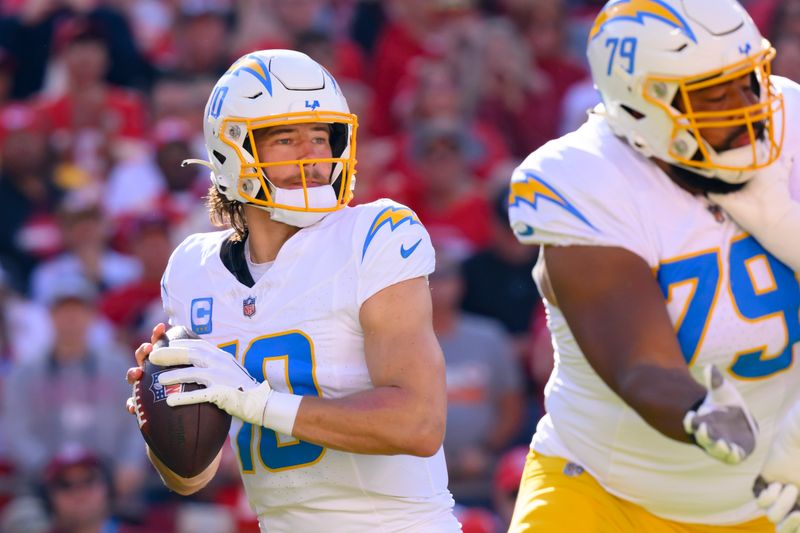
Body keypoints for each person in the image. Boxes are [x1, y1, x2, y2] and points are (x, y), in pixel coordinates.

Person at [126, 49, 460, 532]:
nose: (313, 155)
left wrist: (255, 402)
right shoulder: (191, 271)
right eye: (286, 138)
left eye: (321, 136)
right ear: (230, 150)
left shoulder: (375, 234)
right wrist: (164, 416)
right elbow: (189, 480)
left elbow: (419, 422)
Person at [506, 0, 800, 531]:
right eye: (714, 94)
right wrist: (699, 413)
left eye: (749, 81)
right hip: (603, 491)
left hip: (767, 502)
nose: (749, 107)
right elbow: (640, 364)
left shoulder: (791, 122)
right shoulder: (586, 178)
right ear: (644, 105)